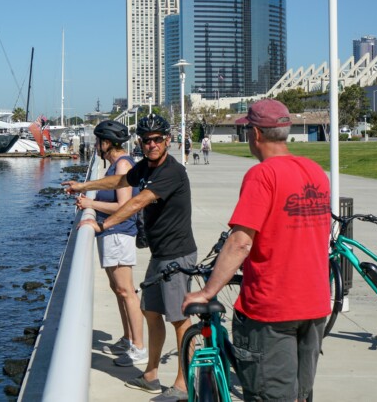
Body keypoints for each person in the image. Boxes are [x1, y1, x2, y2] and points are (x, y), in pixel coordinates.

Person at [182, 99, 332, 402]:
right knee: (301, 395)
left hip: (272, 309)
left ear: (256, 134)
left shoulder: (263, 175)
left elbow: (241, 241)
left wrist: (208, 291)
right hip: (314, 305)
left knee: (270, 395)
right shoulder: (315, 172)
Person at [63, 114, 196, 402]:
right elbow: (120, 180)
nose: (152, 145)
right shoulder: (145, 167)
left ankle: (184, 385)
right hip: (159, 253)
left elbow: (137, 202)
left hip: (177, 253)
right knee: (151, 311)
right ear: (140, 143)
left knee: (179, 319)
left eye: (157, 139)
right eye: (146, 140)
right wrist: (82, 186)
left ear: (167, 141)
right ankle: (150, 375)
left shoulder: (171, 171)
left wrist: (102, 224)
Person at [74, 120, 146, 366]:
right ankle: (128, 338)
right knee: (119, 291)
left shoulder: (123, 164)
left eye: (98, 141)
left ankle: (138, 347)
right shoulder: (117, 164)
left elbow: (123, 207)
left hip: (119, 234)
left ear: (106, 143)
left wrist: (90, 204)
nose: (95, 146)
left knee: (127, 292)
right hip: (111, 235)